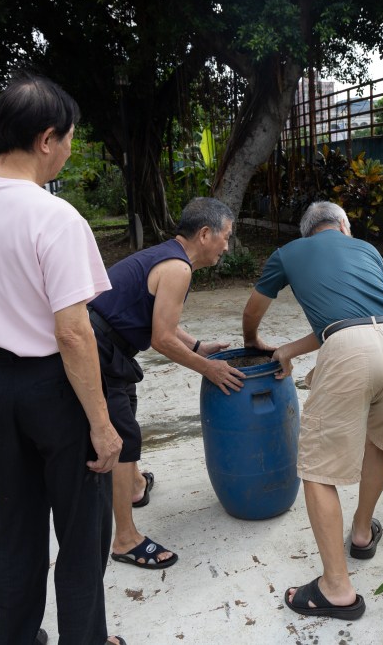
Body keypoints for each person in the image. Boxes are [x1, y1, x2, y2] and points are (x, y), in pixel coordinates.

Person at [0, 73, 126, 645]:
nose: (67, 150)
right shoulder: (54, 217)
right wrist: (102, 424)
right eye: (67, 140)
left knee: (13, 528)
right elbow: (73, 334)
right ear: (45, 139)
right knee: (82, 530)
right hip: (56, 389)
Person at [241, 201, 383, 621]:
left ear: (308, 233)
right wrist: (290, 350)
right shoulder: (365, 249)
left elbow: (253, 310)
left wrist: (254, 340)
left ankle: (336, 589)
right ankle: (361, 533)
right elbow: (358, 318)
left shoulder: (288, 253)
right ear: (344, 225)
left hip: (351, 351)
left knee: (319, 471)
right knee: (378, 442)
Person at [88, 196, 247, 570]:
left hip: (111, 349)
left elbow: (167, 324)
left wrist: (197, 346)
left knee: (127, 416)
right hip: (98, 351)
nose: (227, 245)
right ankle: (125, 539)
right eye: (225, 236)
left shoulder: (170, 257)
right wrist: (208, 368)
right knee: (122, 437)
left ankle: (136, 486)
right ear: (205, 234)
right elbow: (160, 339)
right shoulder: (178, 268)